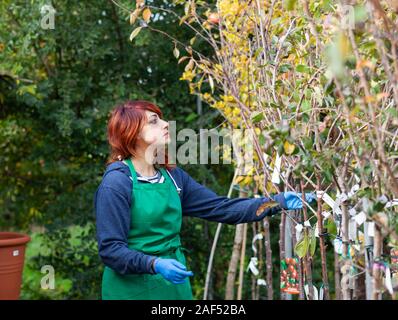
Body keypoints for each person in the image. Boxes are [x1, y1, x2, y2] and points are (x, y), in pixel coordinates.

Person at [94, 100, 315, 300]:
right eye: (154, 121)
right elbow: (111, 250)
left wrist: (277, 202)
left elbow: (223, 208)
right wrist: (154, 264)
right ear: (132, 133)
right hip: (130, 290)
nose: (165, 124)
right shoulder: (117, 183)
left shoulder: (172, 177)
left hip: (173, 286)